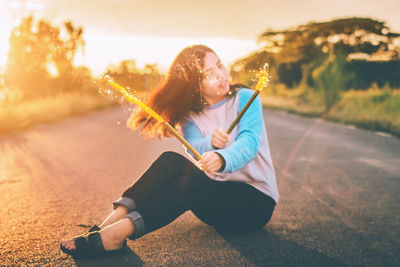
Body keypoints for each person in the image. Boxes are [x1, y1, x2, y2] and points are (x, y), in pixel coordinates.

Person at [60, 45, 279, 257]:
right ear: (194, 85)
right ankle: (105, 227)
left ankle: (115, 236)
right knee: (170, 161)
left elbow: (249, 143)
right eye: (209, 74)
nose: (221, 75)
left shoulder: (245, 98)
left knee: (190, 182)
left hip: (254, 205)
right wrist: (211, 143)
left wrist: (222, 158)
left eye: (220, 66)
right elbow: (195, 150)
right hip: (212, 201)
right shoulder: (189, 116)